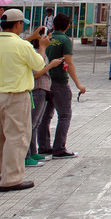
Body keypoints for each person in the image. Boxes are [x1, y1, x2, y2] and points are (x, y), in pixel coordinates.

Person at [0, 8, 46, 192]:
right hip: (16, 96)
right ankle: (11, 178)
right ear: (18, 24)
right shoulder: (22, 46)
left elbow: (14, 48)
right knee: (16, 137)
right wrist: (41, 47)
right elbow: (38, 64)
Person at [37, 13, 86, 159]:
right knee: (64, 115)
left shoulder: (47, 39)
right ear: (68, 26)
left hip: (46, 80)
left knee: (45, 116)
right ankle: (59, 148)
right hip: (59, 80)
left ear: (53, 24)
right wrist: (78, 83)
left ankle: (44, 146)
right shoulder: (65, 40)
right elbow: (69, 63)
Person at [26, 34, 64, 167]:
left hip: (43, 89)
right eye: (46, 36)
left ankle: (33, 151)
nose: (49, 38)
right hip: (37, 88)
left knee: (36, 122)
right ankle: (27, 155)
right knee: (31, 122)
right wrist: (51, 65)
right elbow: (35, 73)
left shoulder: (42, 52)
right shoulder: (35, 52)